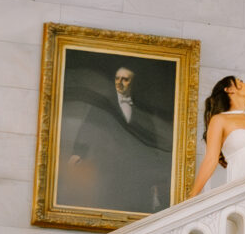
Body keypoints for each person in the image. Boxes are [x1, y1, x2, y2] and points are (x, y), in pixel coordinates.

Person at [59, 62, 174, 212]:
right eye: (117, 79)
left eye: (125, 79)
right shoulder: (102, 106)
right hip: (109, 169)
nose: (120, 83)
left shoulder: (145, 114)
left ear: (132, 83)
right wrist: (75, 155)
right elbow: (86, 131)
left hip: (136, 173)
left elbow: (154, 145)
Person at [188, 75, 245, 197]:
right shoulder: (219, 120)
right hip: (241, 186)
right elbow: (211, 159)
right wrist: (192, 195)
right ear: (229, 89)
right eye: (241, 82)